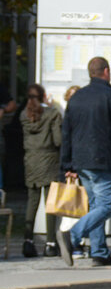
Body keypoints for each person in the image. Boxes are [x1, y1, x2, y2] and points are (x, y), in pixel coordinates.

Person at [56, 57, 111, 268]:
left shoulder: (77, 97)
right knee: (105, 207)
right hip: (103, 160)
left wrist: (67, 164)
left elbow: (66, 132)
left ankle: (99, 252)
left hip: (81, 162)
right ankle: (72, 235)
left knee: (96, 206)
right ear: (106, 71)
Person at [20, 85, 63, 258]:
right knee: (50, 202)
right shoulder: (52, 114)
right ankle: (50, 244)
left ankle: (28, 242)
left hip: (31, 160)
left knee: (32, 201)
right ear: (44, 96)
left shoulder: (24, 115)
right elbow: (58, 140)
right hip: (49, 160)